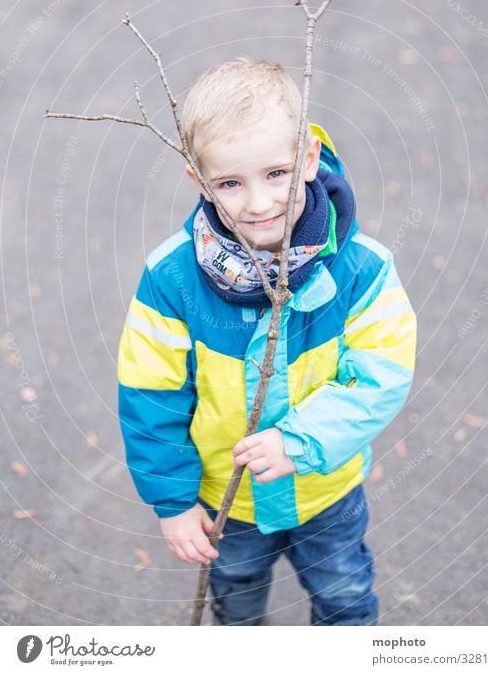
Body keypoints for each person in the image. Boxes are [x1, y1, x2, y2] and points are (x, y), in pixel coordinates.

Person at [117, 60, 417, 626]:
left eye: (276, 173)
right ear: (200, 181)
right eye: (230, 183)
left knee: (344, 594)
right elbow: (149, 394)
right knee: (236, 596)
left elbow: (382, 374)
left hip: (324, 488)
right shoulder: (172, 279)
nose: (258, 204)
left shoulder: (362, 269)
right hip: (225, 501)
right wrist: (174, 502)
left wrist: (301, 441)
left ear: (307, 158)